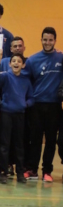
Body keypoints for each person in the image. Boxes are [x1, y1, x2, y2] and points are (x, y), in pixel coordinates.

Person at [24, 27, 63, 182]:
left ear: (55, 40)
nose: (47, 42)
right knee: (35, 139)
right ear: (41, 40)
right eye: (45, 40)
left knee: (51, 140)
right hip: (36, 106)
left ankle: (47, 171)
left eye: (50, 40)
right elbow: (25, 81)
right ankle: (32, 169)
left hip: (54, 105)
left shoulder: (61, 57)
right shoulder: (32, 60)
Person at [0, 50, 34, 184]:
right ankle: (3, 172)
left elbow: (31, 97)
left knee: (19, 145)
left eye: (19, 61)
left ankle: (20, 173)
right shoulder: (5, 76)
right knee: (4, 144)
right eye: (14, 61)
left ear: (23, 65)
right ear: (10, 64)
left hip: (20, 115)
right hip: (6, 114)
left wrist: (25, 104)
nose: (16, 63)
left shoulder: (26, 81)